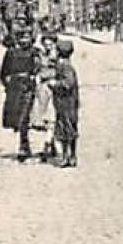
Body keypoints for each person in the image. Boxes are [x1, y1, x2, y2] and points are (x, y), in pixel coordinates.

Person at [0, 29, 39, 161]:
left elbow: (39, 69)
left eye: (28, 38)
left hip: (28, 88)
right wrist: (9, 84)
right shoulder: (11, 53)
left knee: (25, 117)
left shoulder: (34, 53)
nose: (25, 41)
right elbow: (3, 73)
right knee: (17, 119)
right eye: (22, 38)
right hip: (15, 90)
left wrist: (34, 77)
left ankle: (24, 145)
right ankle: (24, 143)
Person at [49, 39, 80, 167]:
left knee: (66, 129)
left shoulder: (65, 66)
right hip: (67, 102)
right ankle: (70, 156)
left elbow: (68, 83)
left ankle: (67, 156)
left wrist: (54, 84)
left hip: (66, 102)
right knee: (69, 128)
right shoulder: (63, 64)